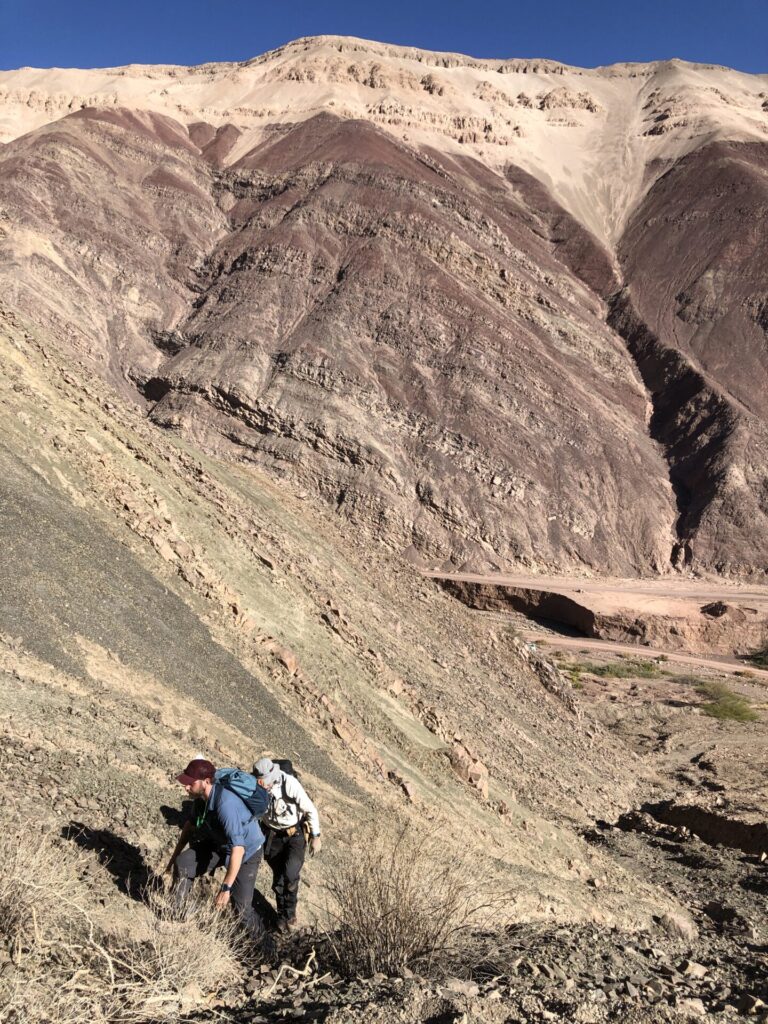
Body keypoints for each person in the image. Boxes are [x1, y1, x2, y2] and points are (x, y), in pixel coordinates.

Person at [166, 758, 265, 939]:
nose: (186, 788)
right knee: (184, 863)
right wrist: (171, 862)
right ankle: (177, 913)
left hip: (247, 851)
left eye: (190, 784)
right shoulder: (200, 800)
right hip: (221, 844)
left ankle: (265, 949)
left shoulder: (225, 804)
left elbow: (238, 850)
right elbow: (189, 829)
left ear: (207, 782)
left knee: (241, 908)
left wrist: (225, 888)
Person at [252, 758, 322, 932]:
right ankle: (281, 914)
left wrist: (315, 836)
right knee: (279, 879)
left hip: (294, 836)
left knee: (290, 874)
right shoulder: (256, 786)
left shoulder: (289, 784)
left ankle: (289, 916)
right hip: (272, 836)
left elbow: (310, 809)